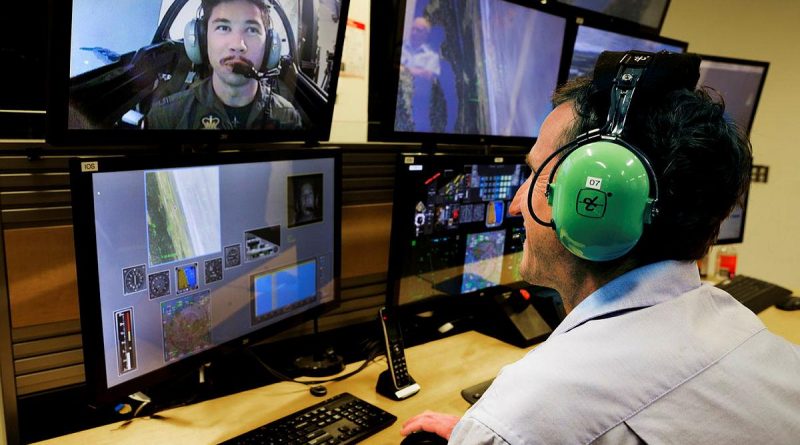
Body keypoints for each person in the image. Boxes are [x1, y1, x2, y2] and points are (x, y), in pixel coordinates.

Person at [401, 51, 800, 443]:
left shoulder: (522, 417)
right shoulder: (761, 346)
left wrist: (490, 436)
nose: (516, 203)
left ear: (597, 203)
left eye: (537, 174)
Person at [146, 0, 302, 130]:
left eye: (251, 30)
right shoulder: (165, 118)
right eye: (223, 27)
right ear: (203, 39)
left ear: (269, 45)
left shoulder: (287, 119)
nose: (238, 45)